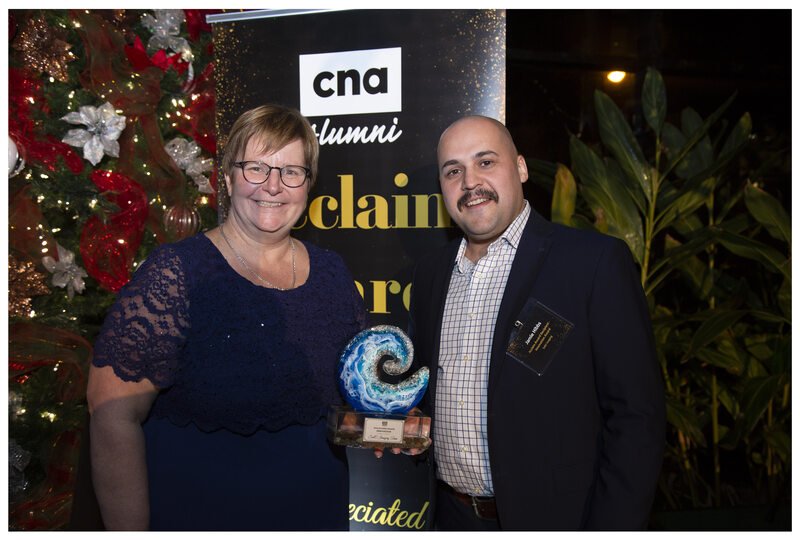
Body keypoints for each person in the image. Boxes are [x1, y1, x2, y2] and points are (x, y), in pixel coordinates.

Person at [87, 104, 366, 531]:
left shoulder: (332, 272)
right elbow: (112, 415)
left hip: (316, 514)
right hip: (201, 515)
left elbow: (350, 395)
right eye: (256, 168)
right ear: (228, 177)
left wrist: (386, 428)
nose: (273, 186)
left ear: (308, 184)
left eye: (292, 171)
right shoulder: (178, 273)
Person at [408, 115, 665, 530]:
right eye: (453, 170)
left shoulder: (592, 263)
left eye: (486, 162)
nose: (470, 182)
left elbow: (637, 418)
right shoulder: (430, 274)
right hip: (450, 518)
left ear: (522, 168)